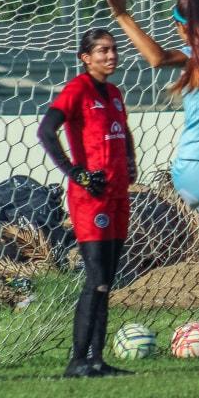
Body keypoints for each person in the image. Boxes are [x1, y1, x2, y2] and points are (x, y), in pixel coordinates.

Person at [107, 0, 199, 394]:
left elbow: (154, 59)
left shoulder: (194, 56)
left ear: (185, 27)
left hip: (193, 174)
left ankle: (180, 201)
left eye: (176, 26)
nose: (175, 34)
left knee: (176, 190)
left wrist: (121, 15)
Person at [38, 28, 138, 378]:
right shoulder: (76, 90)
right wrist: (74, 172)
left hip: (117, 195)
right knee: (95, 275)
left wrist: (131, 162)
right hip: (90, 199)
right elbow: (45, 132)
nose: (111, 56)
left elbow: (123, 132)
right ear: (86, 57)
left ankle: (97, 360)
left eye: (113, 50)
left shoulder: (113, 92)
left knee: (108, 278)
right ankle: (77, 359)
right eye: (102, 51)